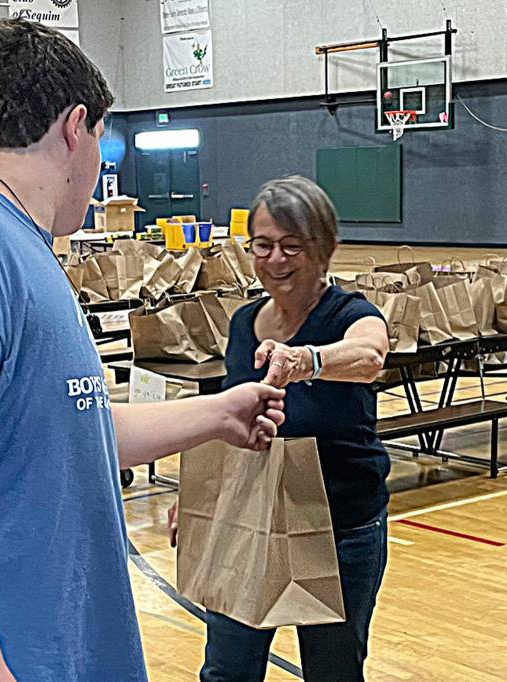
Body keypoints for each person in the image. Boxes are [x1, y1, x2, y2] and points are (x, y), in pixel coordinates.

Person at [0, 18, 285, 681]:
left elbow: (66, 432)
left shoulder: (13, 246)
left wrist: (221, 413)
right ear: (76, 128)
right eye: (102, 139)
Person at [170, 176, 392, 681]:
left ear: (327, 248)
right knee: (227, 670)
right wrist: (197, 497)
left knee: (333, 671)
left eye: (292, 247)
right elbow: (228, 421)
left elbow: (370, 354)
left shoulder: (349, 314)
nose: (275, 261)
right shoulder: (244, 323)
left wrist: (306, 360)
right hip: (249, 522)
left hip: (341, 529)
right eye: (262, 246)